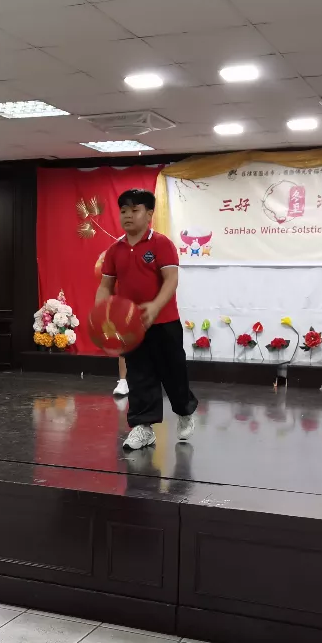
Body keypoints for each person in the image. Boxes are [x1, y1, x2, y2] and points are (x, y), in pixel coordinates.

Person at [96, 189, 198, 450]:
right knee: (139, 375)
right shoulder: (115, 249)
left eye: (135, 210)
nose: (128, 215)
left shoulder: (161, 244)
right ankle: (143, 427)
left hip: (164, 323)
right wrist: (101, 312)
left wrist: (155, 306)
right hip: (132, 326)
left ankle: (184, 411)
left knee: (173, 373)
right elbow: (106, 286)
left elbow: (171, 280)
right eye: (123, 211)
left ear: (149, 214)